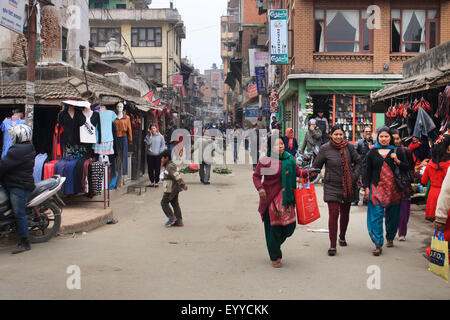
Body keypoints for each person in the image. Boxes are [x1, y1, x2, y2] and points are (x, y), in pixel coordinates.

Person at [253, 134, 308, 267]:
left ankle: (275, 244)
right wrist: (260, 188)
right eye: (277, 144)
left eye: (282, 144)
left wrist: (307, 172)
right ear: (271, 147)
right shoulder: (266, 161)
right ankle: (275, 255)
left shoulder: (289, 159)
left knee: (290, 227)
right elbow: (256, 176)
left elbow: (297, 172)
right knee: (272, 228)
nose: (280, 146)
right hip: (270, 198)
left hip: (287, 198)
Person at [312, 125, 361, 256]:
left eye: (341, 134)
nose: (339, 137)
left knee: (345, 213)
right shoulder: (325, 149)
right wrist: (305, 175)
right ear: (331, 135)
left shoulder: (349, 147)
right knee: (333, 215)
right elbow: (316, 166)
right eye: (336, 134)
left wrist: (354, 176)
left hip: (348, 185)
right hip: (331, 186)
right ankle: (332, 245)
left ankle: (342, 236)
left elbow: (359, 162)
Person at [364, 127, 409, 256]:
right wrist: (367, 187)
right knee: (376, 215)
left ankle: (390, 237)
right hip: (377, 188)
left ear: (391, 138)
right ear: (378, 137)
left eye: (386, 137)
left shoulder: (397, 151)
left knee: (393, 215)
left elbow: (407, 167)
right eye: (381, 137)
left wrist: (397, 160)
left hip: (393, 189)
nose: (383, 139)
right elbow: (367, 171)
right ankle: (378, 243)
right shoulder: (372, 152)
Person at [0, 124, 35, 254]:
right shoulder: (28, 147)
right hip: (20, 183)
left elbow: (4, 165)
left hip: (18, 186)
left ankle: (25, 243)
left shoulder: (16, 150)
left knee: (19, 213)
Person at [392, 129, 415, 241]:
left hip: (404, 183)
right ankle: (392, 230)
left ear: (400, 139)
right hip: (391, 183)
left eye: (397, 138)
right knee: (390, 210)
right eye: (393, 139)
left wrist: (398, 161)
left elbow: (410, 167)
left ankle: (402, 233)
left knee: (404, 209)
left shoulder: (406, 151)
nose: (395, 141)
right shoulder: (385, 151)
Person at [421, 135, 450, 222]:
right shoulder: (448, 165)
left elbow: (423, 181)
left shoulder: (430, 164)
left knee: (437, 224)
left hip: (432, 195)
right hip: (445, 196)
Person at [160, 149, 188, 227]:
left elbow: (176, 176)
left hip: (171, 189)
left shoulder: (170, 166)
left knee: (164, 203)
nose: (161, 160)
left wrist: (183, 185)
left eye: (162, 158)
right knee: (174, 203)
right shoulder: (169, 166)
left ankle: (172, 218)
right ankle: (179, 221)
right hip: (174, 188)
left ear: (167, 158)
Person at [354, 126, 374, 206]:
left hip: (371, 167)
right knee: (358, 184)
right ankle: (355, 200)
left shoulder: (375, 142)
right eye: (366, 131)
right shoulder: (359, 142)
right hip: (361, 166)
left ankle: (366, 200)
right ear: (363, 133)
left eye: (369, 131)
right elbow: (354, 154)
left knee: (368, 184)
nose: (368, 133)